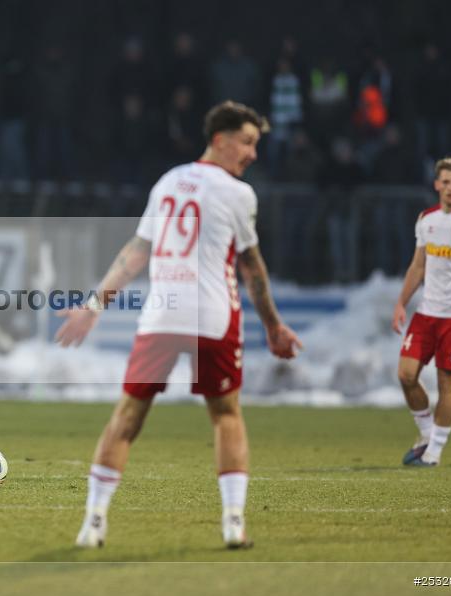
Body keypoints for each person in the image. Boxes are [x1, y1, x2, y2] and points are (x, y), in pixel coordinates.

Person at [56, 101, 302, 549]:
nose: (252, 154)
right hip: (211, 316)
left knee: (127, 415)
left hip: (161, 314)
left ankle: (92, 522)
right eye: (247, 143)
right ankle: (233, 524)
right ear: (220, 140)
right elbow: (252, 267)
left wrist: (94, 304)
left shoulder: (169, 180)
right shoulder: (238, 193)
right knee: (226, 414)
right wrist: (273, 326)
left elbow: (136, 252)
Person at [392, 157, 451, 467]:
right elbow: (418, 265)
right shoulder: (426, 219)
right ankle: (427, 431)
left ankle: (433, 452)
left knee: (447, 382)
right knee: (405, 375)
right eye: (446, 182)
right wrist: (402, 303)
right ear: (437, 185)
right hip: (427, 311)